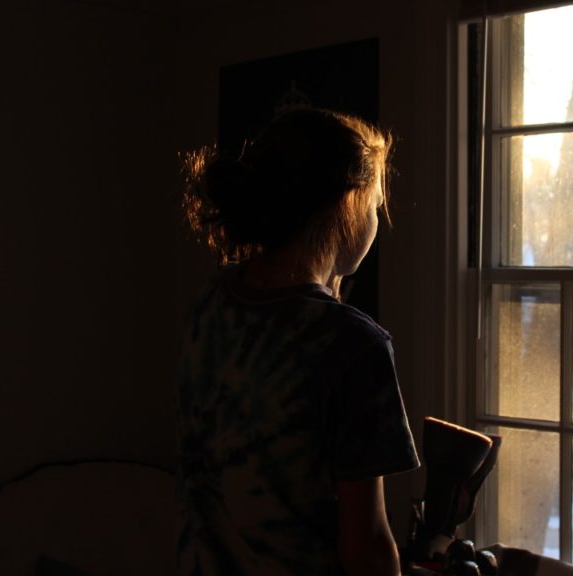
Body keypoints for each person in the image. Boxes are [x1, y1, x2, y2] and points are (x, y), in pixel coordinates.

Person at [175, 108, 419, 576]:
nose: (375, 219)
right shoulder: (353, 346)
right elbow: (366, 544)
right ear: (347, 205)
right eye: (374, 205)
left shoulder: (210, 304)